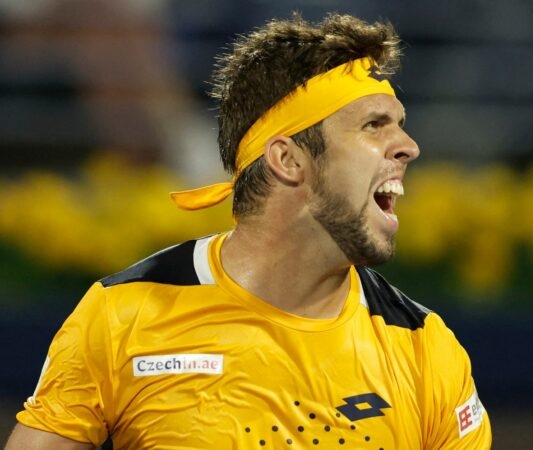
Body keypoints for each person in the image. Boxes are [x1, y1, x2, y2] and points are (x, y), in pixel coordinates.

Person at [5, 13, 492, 450]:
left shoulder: (425, 348)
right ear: (287, 160)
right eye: (373, 125)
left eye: (400, 125)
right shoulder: (122, 317)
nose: (408, 146)